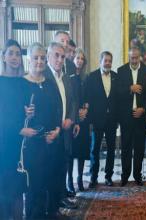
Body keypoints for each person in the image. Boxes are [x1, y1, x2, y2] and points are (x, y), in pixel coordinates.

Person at [23, 42, 60, 219]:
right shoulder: (22, 84)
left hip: (51, 142)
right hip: (31, 145)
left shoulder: (50, 84)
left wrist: (57, 130)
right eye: (36, 57)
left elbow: (56, 111)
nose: (39, 61)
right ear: (29, 59)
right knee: (34, 188)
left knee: (50, 183)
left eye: (42, 58)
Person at [44, 41, 78, 215]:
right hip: (51, 133)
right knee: (49, 173)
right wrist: (58, 124)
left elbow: (72, 101)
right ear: (48, 56)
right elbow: (46, 108)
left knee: (61, 169)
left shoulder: (64, 76)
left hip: (65, 132)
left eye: (62, 56)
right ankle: (49, 210)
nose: (59, 59)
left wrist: (71, 118)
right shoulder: (43, 76)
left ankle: (57, 206)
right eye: (56, 55)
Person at [117, 47, 146, 187]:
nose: (133, 60)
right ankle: (125, 176)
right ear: (128, 57)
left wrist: (143, 109)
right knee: (125, 147)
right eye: (131, 58)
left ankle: (137, 176)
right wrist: (129, 88)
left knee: (139, 148)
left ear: (140, 57)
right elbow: (117, 93)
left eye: (136, 58)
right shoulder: (121, 71)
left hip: (141, 116)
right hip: (126, 117)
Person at [0, 39, 28, 220]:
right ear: (3, 57)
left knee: (19, 188)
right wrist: (18, 129)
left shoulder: (24, 83)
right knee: (4, 186)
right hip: (3, 141)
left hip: (22, 144)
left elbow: (26, 113)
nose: (14, 57)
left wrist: (29, 113)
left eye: (17, 54)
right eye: (10, 53)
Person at [85, 51, 119, 188]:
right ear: (100, 61)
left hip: (111, 120)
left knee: (111, 149)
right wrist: (90, 121)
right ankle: (93, 177)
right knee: (95, 149)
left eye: (110, 61)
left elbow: (118, 100)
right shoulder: (91, 77)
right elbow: (88, 98)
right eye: (105, 60)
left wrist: (117, 119)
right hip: (97, 120)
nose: (108, 63)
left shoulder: (116, 77)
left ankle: (108, 177)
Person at [67, 48, 90, 192]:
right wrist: (77, 114)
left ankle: (80, 178)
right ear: (73, 60)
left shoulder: (86, 78)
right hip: (73, 119)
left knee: (82, 152)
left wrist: (86, 109)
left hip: (84, 119)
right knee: (71, 152)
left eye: (82, 58)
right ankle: (70, 180)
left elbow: (88, 96)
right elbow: (70, 100)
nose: (79, 61)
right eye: (77, 58)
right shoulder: (68, 78)